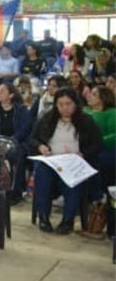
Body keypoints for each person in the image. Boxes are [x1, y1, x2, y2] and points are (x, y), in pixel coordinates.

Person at [29, 88, 103, 234]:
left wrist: (84, 154)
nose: (64, 108)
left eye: (68, 104)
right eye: (60, 104)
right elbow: (32, 139)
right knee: (42, 172)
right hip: (52, 161)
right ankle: (43, 217)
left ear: (75, 104)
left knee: (73, 178)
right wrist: (40, 146)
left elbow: (97, 144)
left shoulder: (86, 121)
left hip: (74, 162)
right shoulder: (47, 118)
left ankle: (67, 221)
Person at [0, 83, 33, 205]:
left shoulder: (21, 110)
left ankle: (14, 193)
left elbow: (24, 130)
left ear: (11, 95)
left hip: (16, 142)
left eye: (2, 91)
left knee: (16, 154)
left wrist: (8, 143)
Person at [85, 85, 115, 195]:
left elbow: (114, 135)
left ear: (103, 98)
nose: (89, 96)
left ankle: (98, 196)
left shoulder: (111, 113)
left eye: (94, 94)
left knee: (95, 161)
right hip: (84, 147)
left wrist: (98, 142)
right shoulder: (84, 111)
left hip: (105, 148)